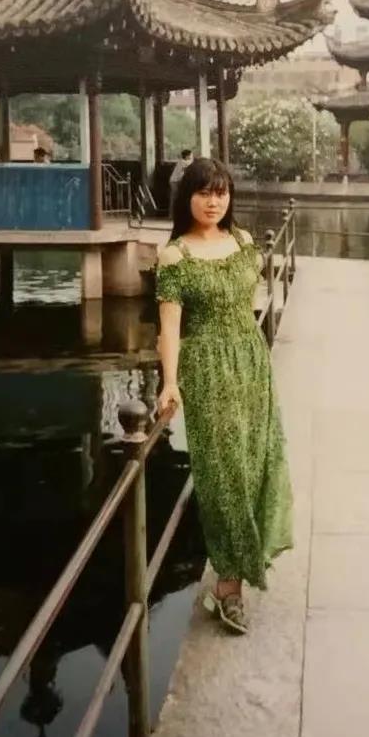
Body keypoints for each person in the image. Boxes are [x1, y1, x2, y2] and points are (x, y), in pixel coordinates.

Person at [155, 158, 293, 635]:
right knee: (222, 475)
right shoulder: (175, 256)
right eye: (204, 193)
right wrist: (170, 382)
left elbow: (246, 303)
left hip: (251, 364)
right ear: (187, 198)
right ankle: (229, 588)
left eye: (221, 193)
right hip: (207, 370)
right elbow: (169, 329)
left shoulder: (243, 242)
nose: (213, 202)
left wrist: (246, 350)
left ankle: (247, 558)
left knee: (255, 463)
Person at [168, 149, 193, 216]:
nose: (192, 156)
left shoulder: (183, 162)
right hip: (175, 181)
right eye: (191, 155)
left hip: (177, 181)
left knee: (176, 198)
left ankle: (173, 214)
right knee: (175, 198)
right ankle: (172, 214)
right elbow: (190, 165)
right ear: (187, 156)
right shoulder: (182, 162)